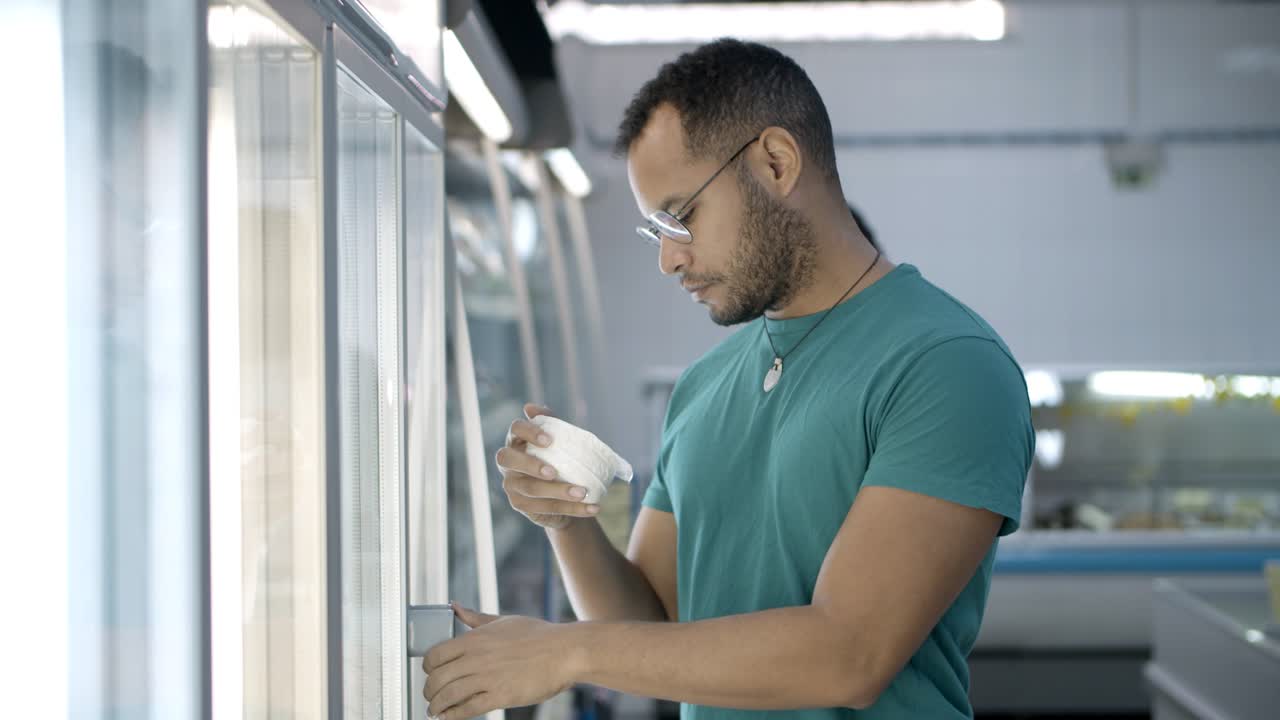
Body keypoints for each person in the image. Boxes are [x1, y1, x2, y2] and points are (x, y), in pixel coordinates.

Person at [423, 38, 1033, 720]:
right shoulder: (704, 386)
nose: (669, 260)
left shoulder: (946, 363)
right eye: (655, 231)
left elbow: (848, 655)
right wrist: (565, 524)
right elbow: (653, 633)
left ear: (776, 162)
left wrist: (566, 652)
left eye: (680, 217)